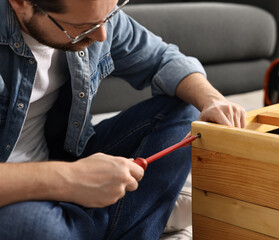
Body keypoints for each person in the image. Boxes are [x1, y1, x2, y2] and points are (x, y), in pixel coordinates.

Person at [0, 0, 246, 239]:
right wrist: (69, 179)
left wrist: (213, 100)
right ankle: (113, 221)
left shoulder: (96, 17)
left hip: (63, 154)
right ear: (22, 3)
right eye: (83, 27)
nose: (102, 36)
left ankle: (82, 222)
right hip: (13, 189)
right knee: (27, 227)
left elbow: (164, 58)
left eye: (108, 16)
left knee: (186, 110)